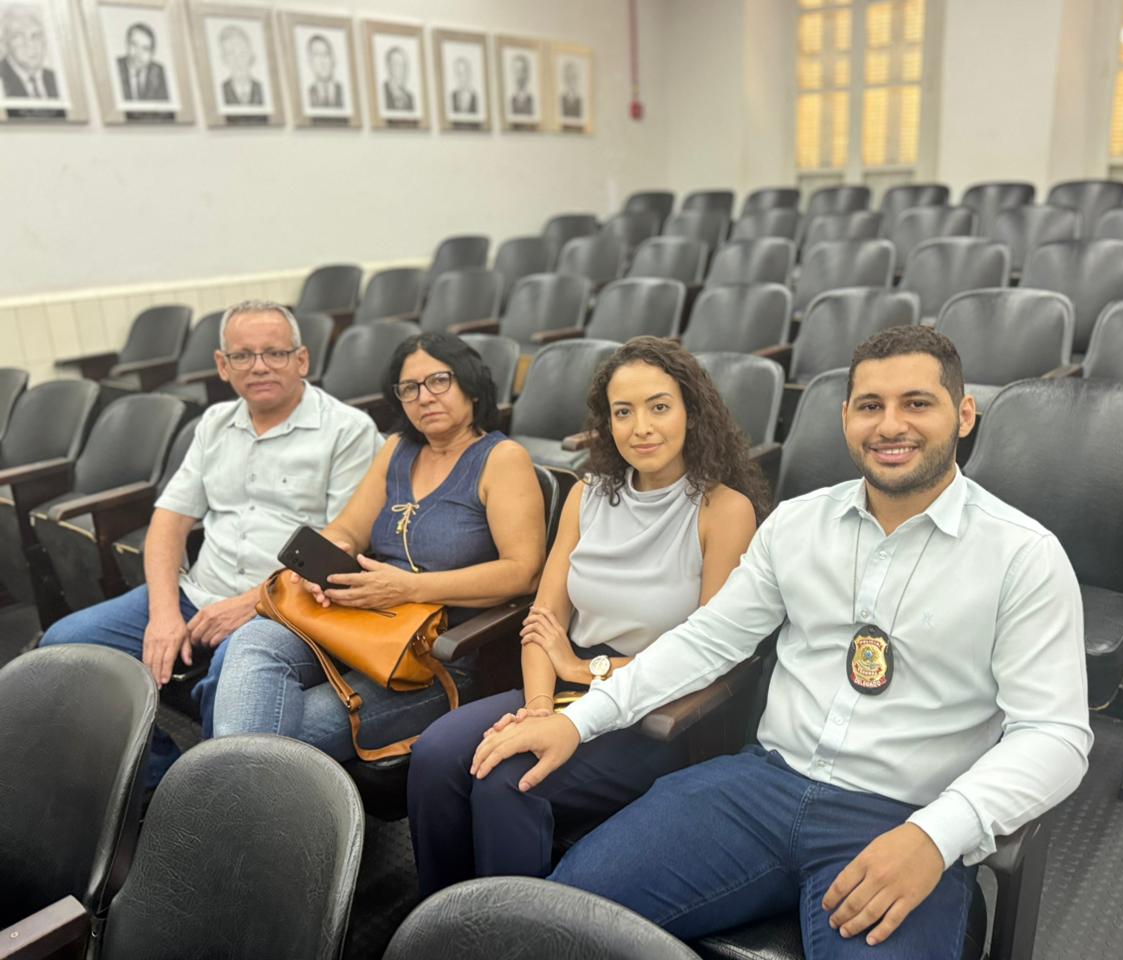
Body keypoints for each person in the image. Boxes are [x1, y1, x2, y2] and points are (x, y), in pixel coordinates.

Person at [471, 326, 1093, 959]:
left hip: (903, 816)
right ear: (845, 417)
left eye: (917, 403)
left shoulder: (1022, 555)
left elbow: (1056, 734)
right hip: (761, 789)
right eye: (870, 406)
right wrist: (578, 721)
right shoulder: (799, 523)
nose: (890, 425)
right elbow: (707, 641)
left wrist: (937, 835)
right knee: (553, 926)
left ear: (963, 414)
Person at [407, 337, 764, 897]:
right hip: (563, 685)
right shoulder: (587, 495)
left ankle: (511, 930)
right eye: (623, 412)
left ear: (692, 413)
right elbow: (542, 621)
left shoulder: (725, 510)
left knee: (510, 780)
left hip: (657, 709)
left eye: (659, 407)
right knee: (434, 755)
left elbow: (708, 657)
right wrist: (537, 707)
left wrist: (583, 670)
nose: (640, 427)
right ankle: (442, 920)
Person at [40, 301, 380, 789]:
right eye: (242, 356)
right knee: (65, 650)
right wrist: (163, 613)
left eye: (275, 353)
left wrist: (250, 604)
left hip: (287, 608)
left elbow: (337, 550)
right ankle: (161, 779)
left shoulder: (347, 430)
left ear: (302, 359)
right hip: (198, 591)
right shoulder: (215, 423)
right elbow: (169, 521)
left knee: (232, 672)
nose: (259, 366)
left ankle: (210, 795)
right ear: (222, 365)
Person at [213, 333, 545, 761]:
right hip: (359, 624)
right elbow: (349, 528)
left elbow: (523, 571)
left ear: (471, 385)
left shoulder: (502, 459)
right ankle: (228, 783)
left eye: (439, 381)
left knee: (279, 732)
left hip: (433, 657)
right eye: (410, 388)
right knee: (253, 640)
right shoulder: (397, 450)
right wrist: (324, 562)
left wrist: (408, 588)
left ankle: (218, 784)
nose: (424, 397)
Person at [0, 4, 58, 99]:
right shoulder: (2, 80)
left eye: (35, 35)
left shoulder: (55, 80)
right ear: (4, 44)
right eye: (18, 37)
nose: (30, 44)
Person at [116, 22, 168, 101]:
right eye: (134, 44)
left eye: (145, 48)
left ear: (152, 53)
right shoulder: (115, 67)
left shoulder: (160, 73)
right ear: (126, 44)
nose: (138, 53)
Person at [218, 23, 263, 107]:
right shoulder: (220, 91)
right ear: (224, 59)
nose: (237, 60)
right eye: (231, 54)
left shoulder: (262, 89)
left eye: (242, 52)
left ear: (251, 54)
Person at [305, 33, 342, 109]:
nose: (322, 62)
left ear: (333, 59)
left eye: (326, 54)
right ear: (310, 62)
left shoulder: (342, 91)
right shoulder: (307, 94)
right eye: (317, 55)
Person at [382, 45, 413, 112]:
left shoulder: (410, 98)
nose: (402, 70)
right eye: (397, 65)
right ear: (388, 67)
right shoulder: (382, 93)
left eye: (404, 65)